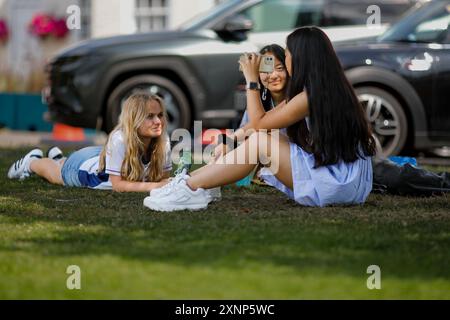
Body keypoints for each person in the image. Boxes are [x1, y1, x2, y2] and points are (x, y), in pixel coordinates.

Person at [143, 26, 377, 211]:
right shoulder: (324, 89)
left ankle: (189, 187)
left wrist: (251, 80)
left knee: (259, 141)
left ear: (301, 59)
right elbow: (255, 126)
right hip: (342, 183)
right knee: (258, 137)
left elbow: (259, 124)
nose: (285, 61)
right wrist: (229, 142)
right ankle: (188, 184)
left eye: (287, 55)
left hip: (335, 185)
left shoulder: (311, 96)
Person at [7, 93, 172, 192]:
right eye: (150, 116)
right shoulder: (120, 139)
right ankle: (32, 162)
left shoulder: (162, 140)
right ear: (134, 119)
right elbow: (118, 185)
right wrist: (154, 187)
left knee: (63, 163)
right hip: (83, 168)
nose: (158, 121)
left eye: (160, 115)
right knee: (56, 175)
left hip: (97, 156)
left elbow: (164, 179)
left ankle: (58, 159)